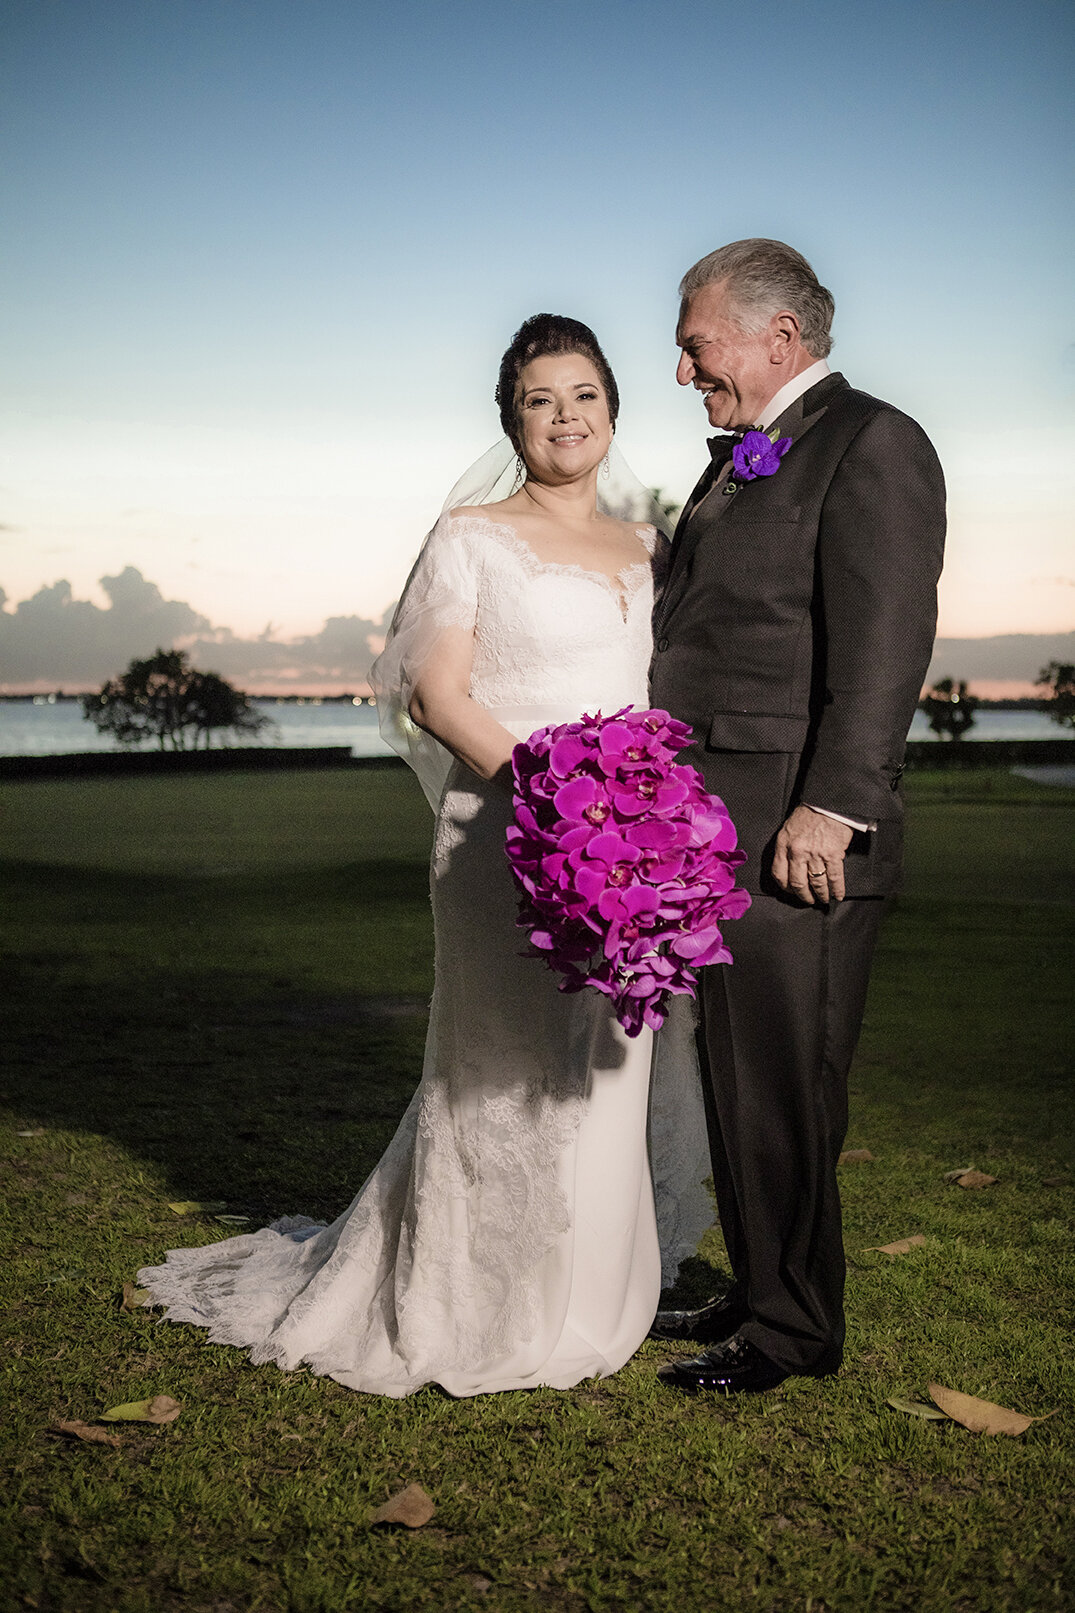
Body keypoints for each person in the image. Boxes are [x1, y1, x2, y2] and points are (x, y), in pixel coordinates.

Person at [136, 314, 713, 1397]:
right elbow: (436, 692)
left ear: (614, 409)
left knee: (610, 1062)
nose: (565, 418)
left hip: (632, 849)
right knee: (500, 1071)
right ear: (512, 420)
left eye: (583, 394)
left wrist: (640, 818)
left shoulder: (652, 543)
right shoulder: (469, 533)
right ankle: (472, 1297)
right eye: (540, 400)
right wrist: (560, 798)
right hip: (508, 830)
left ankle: (597, 1296)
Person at [649, 240, 946, 1395]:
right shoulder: (743, 460)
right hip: (719, 826)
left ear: (779, 337)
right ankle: (761, 1282)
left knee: (786, 1079)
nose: (683, 370)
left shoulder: (872, 444)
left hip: (795, 831)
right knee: (739, 1070)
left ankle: (792, 1333)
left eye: (695, 343)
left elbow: (881, 647)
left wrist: (830, 805)